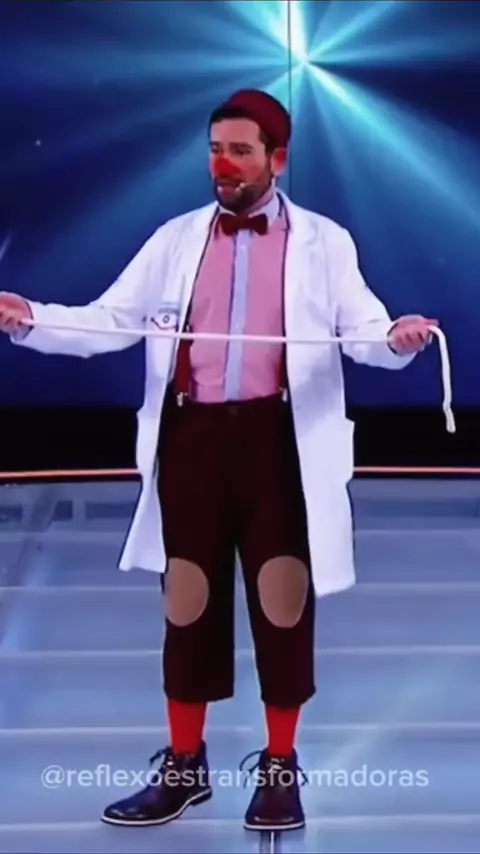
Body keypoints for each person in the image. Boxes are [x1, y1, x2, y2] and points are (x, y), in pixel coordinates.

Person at [0, 89, 436, 833]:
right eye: (214, 150)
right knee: (188, 603)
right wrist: (30, 320)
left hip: (279, 444)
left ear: (277, 158)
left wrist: (396, 339)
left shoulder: (324, 243)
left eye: (239, 150)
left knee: (282, 601)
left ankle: (279, 768)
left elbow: (363, 329)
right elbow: (112, 320)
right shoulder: (175, 238)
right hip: (192, 441)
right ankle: (184, 767)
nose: (223, 164)